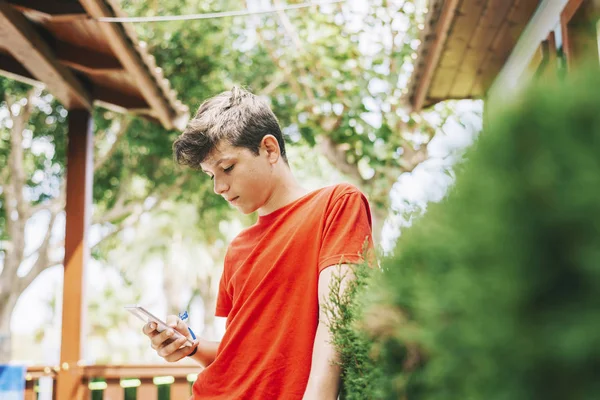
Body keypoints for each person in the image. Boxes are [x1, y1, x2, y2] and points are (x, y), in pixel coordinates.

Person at [142, 87, 374, 399]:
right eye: (210, 175)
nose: (219, 187)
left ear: (269, 149)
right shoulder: (237, 247)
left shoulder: (336, 204)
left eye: (227, 168)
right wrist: (191, 347)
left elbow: (336, 321)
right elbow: (243, 353)